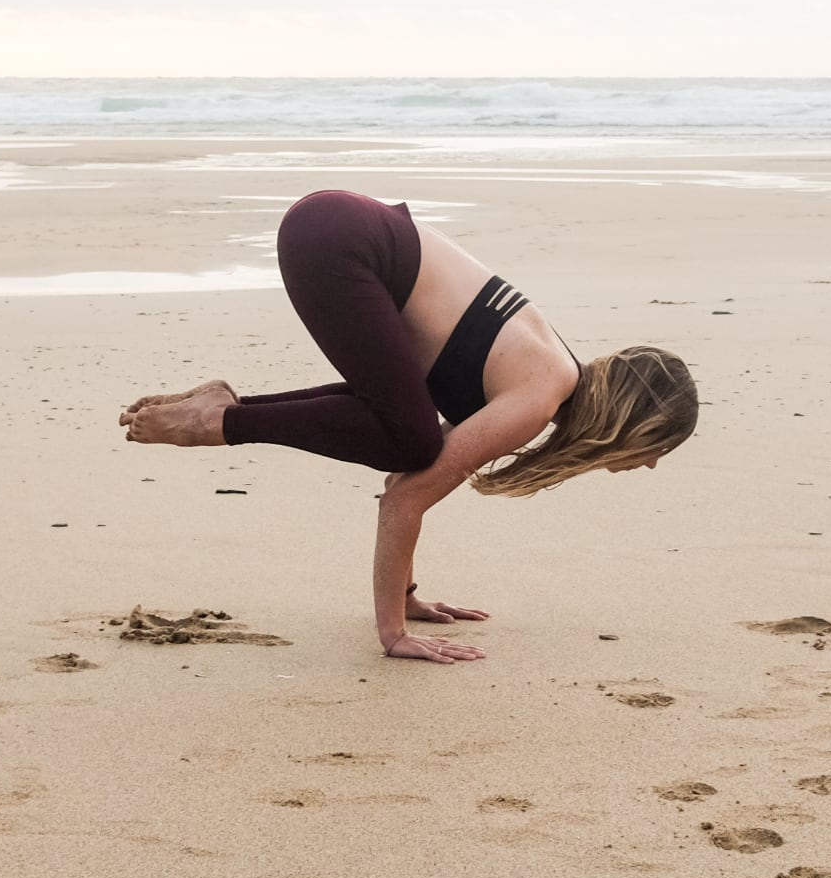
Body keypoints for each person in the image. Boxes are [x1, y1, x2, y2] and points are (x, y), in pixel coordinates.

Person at [119, 190, 697, 664]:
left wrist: (407, 596)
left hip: (338, 226)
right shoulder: (538, 394)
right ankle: (220, 421)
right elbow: (405, 500)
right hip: (341, 241)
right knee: (411, 440)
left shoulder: (547, 371)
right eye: (656, 447)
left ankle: (225, 409)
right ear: (631, 421)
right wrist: (393, 633)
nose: (649, 462)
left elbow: (402, 478)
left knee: (405, 432)